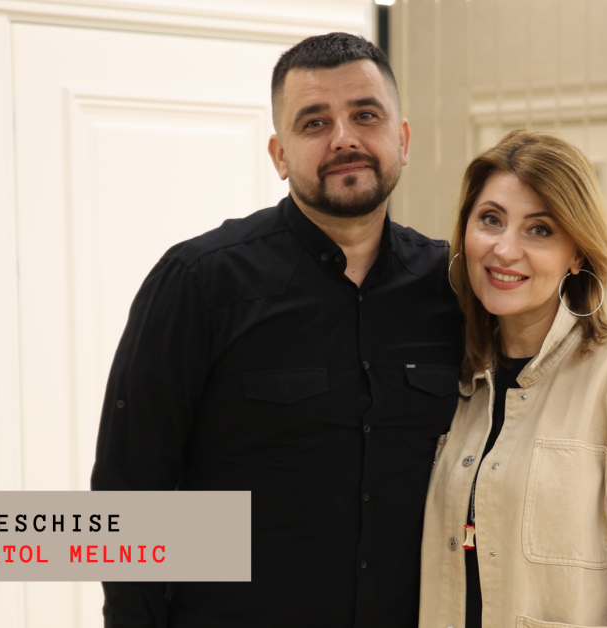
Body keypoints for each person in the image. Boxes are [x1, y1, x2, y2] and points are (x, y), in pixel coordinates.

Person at [91, 33, 464, 628]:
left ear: (403, 139)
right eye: (314, 122)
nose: (344, 138)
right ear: (279, 155)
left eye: (365, 115)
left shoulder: (455, 288)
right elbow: (130, 496)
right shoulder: (199, 282)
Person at [419, 130, 607, 628]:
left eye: (539, 230)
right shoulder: (454, 379)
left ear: (577, 254)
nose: (504, 249)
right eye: (490, 219)